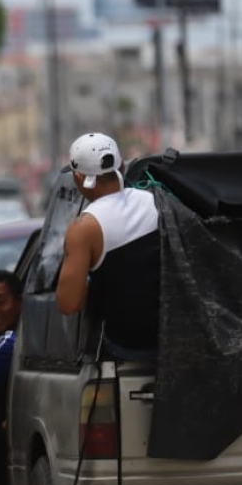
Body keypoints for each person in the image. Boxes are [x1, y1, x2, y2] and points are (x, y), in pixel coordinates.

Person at [56, 132, 161, 359]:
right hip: (173, 337)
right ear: (121, 167)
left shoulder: (85, 228)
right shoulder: (155, 201)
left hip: (128, 347)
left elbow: (68, 304)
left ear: (78, 178)